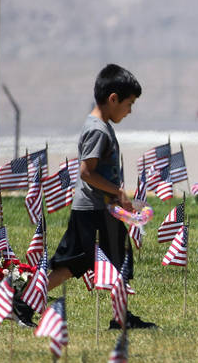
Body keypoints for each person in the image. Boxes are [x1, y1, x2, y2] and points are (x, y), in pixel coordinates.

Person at [13, 64, 156, 329]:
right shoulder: (97, 130)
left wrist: (116, 197)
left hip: (103, 209)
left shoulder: (101, 126)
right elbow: (87, 173)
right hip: (91, 211)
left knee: (119, 259)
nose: (130, 110)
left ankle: (121, 317)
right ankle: (22, 304)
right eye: (129, 103)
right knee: (70, 264)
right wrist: (118, 192)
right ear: (113, 99)